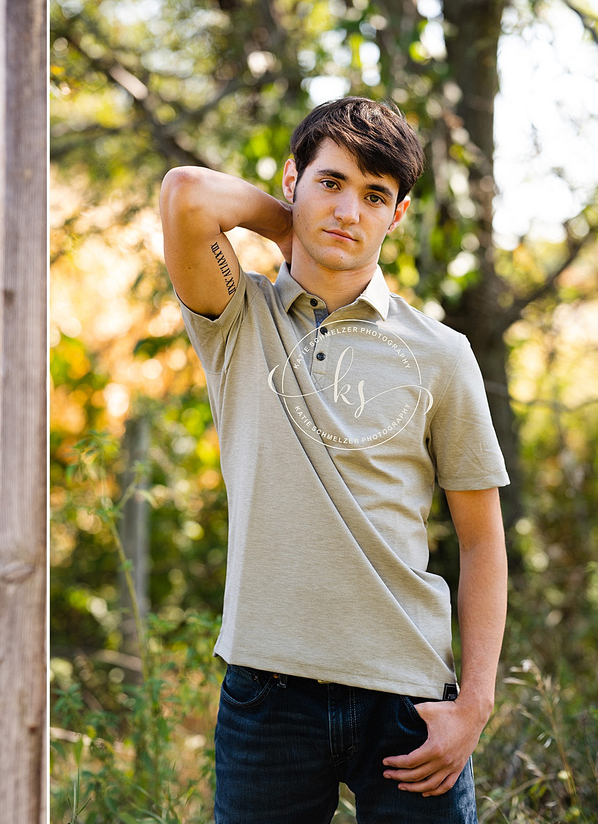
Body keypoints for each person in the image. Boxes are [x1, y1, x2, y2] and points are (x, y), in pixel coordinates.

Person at [159, 97, 508, 823]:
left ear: (398, 215)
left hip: (410, 697)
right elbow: (187, 195)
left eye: (374, 195)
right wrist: (294, 223)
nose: (350, 210)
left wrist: (474, 706)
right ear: (292, 178)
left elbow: (481, 541)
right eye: (332, 183)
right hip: (269, 695)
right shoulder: (237, 319)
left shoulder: (441, 355)